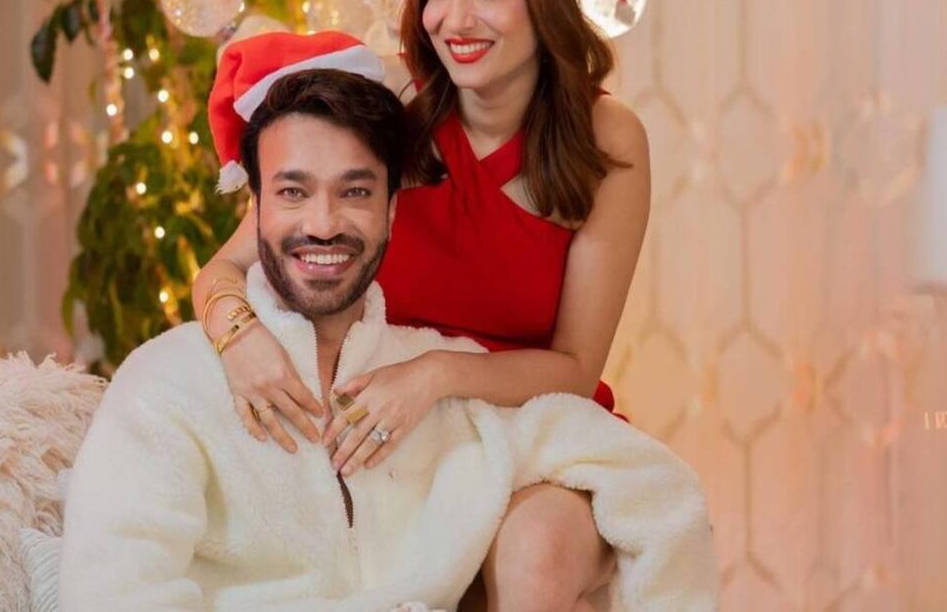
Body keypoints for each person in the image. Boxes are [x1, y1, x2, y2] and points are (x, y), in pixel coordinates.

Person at [58, 39, 718, 611]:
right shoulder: (167, 390)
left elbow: (646, 483)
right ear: (255, 207)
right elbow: (115, 592)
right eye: (293, 192)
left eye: (354, 192)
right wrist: (236, 335)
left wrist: (434, 377)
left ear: (393, 211)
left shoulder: (435, 388)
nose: (323, 223)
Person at [193, 0, 651, 612]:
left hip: (532, 434)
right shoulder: (386, 100)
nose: (454, 19)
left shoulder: (610, 139)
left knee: (536, 555)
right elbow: (221, 271)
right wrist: (238, 339)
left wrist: (436, 374)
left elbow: (575, 366)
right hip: (386, 439)